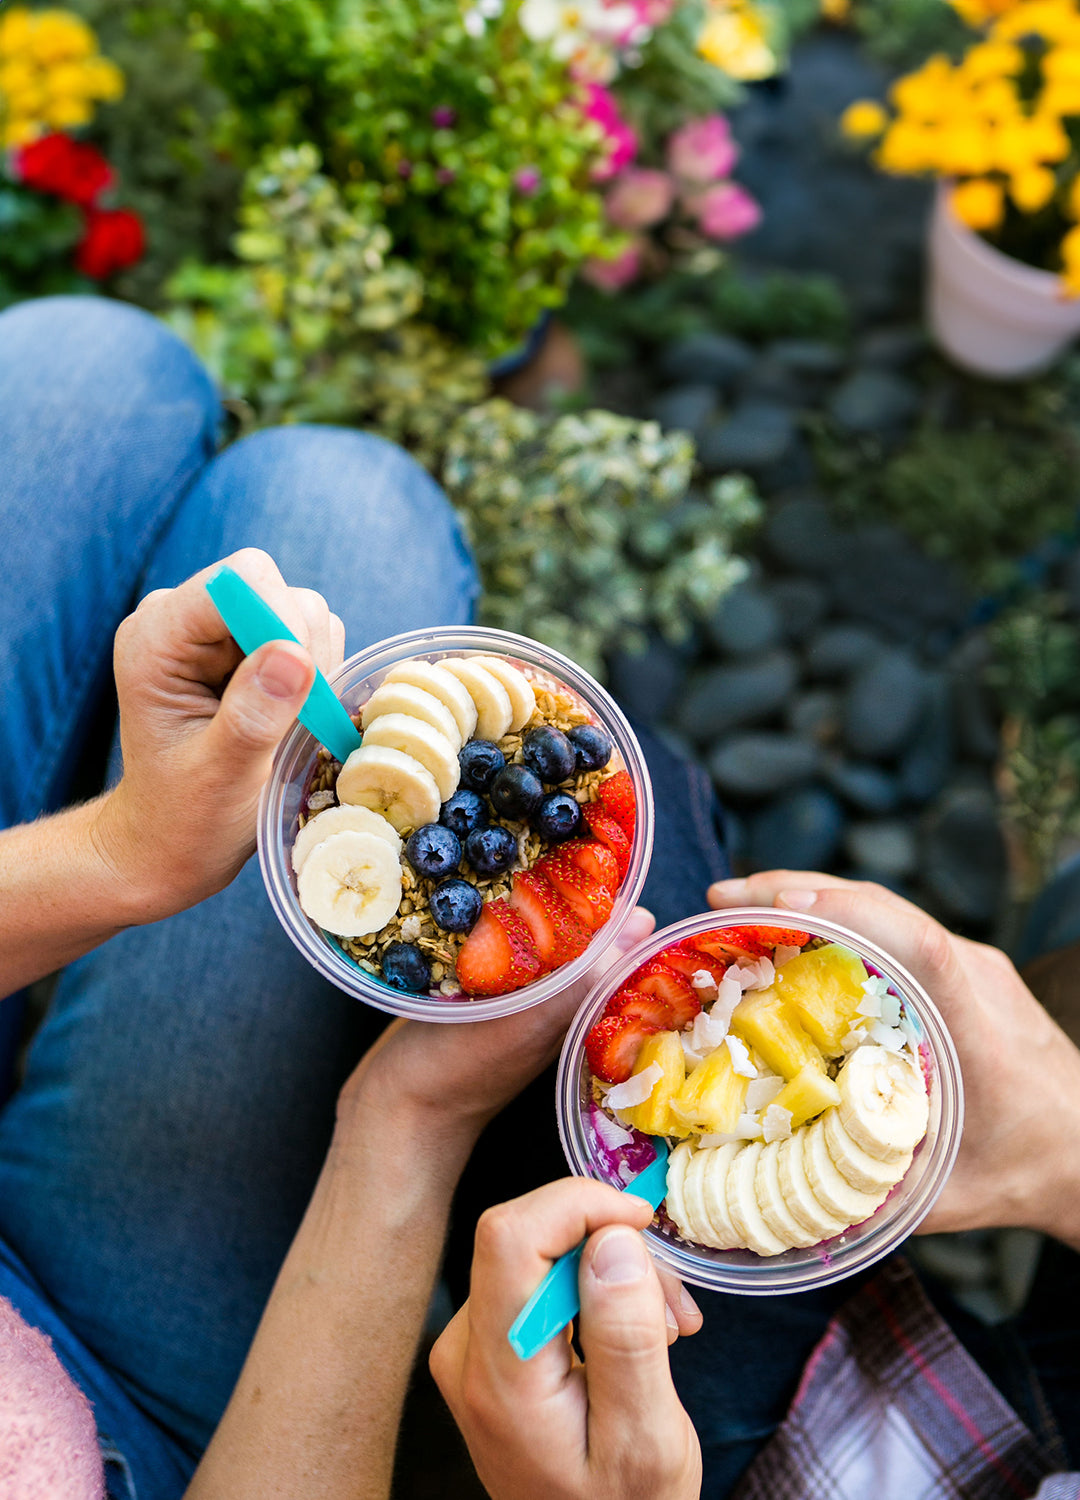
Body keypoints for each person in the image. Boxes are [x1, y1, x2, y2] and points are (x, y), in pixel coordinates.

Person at [0, 294, 718, 1499]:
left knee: (89, 373)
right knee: (349, 509)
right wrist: (407, 1123)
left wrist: (126, 858)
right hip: (106, 1412)